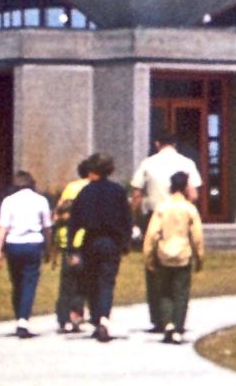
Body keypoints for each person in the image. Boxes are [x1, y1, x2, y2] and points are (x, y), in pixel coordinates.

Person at [63, 153, 135, 340]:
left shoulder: (85, 192)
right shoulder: (118, 192)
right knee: (107, 282)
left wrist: (72, 249)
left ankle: (96, 318)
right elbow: (127, 220)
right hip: (111, 242)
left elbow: (74, 223)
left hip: (91, 241)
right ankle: (104, 318)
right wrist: (125, 242)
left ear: (92, 170)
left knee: (92, 281)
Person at [140, 170, 204, 344]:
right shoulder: (190, 209)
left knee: (165, 292)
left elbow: (152, 233)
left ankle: (167, 322)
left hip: (164, 254)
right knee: (181, 293)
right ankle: (177, 327)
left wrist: (148, 256)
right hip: (183, 254)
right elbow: (197, 236)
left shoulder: (162, 208)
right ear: (185, 188)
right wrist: (199, 257)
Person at [0, 170, 53, 337]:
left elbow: (2, 227)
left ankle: (19, 316)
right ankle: (23, 319)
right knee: (29, 283)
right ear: (32, 184)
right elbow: (47, 227)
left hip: (14, 245)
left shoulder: (8, 201)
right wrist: (48, 249)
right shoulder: (41, 201)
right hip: (33, 243)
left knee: (16, 283)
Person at [50, 155, 96, 333]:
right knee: (83, 280)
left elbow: (59, 211)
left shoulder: (70, 187)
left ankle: (63, 317)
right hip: (85, 239)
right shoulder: (91, 188)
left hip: (66, 238)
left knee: (67, 280)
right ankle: (77, 313)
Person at [131, 134, 203, 214]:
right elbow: (193, 195)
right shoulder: (187, 163)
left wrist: (134, 216)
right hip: (179, 215)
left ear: (157, 144)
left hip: (154, 214)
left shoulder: (147, 163)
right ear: (174, 144)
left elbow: (136, 194)